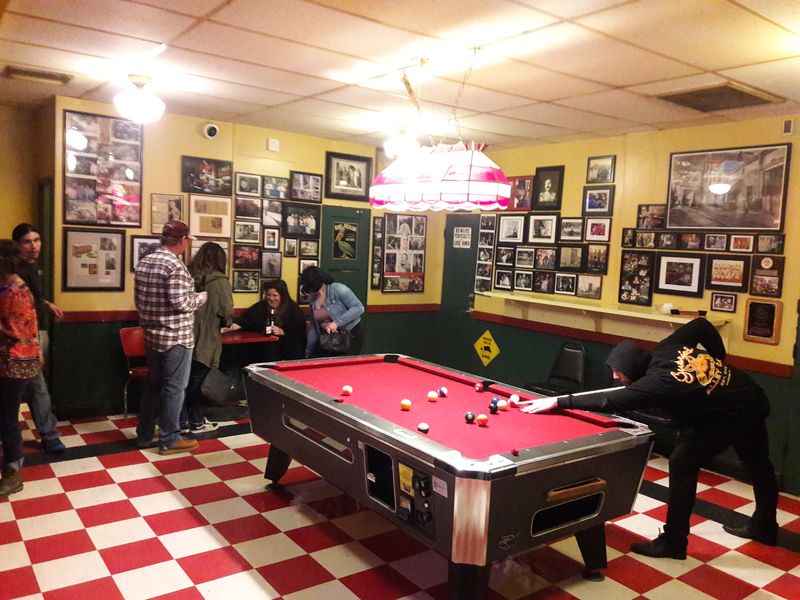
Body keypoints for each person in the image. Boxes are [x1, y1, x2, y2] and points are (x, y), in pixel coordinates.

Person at [525, 318, 779, 558]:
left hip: (734, 411)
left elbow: (608, 400)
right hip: (750, 397)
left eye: (617, 372)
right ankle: (765, 526)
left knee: (683, 461)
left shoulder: (656, 383)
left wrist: (560, 401)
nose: (615, 377)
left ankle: (674, 542)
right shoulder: (667, 347)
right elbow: (702, 325)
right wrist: (717, 361)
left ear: (632, 369)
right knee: (758, 464)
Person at [135, 221, 207, 455]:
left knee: (153, 386)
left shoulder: (146, 261)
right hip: (176, 338)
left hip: (152, 336)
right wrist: (201, 297)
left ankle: (145, 434)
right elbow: (181, 303)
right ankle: (169, 438)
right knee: (175, 389)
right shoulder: (174, 266)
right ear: (183, 240)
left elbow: (139, 300)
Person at [11, 224, 65, 454]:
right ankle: (48, 435)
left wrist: (47, 304)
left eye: (37, 240)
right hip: (19, 339)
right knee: (34, 387)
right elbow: (20, 309)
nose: (34, 246)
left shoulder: (33, 268)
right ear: (17, 245)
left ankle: (48, 434)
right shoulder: (14, 270)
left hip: (33, 335)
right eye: (27, 242)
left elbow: (33, 300)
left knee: (36, 386)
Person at [0, 240, 41, 496]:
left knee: (7, 417)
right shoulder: (12, 286)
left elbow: (13, 331)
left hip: (13, 362)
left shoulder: (12, 290)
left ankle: (13, 470)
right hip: (15, 361)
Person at [183, 242, 233, 433]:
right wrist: (226, 322)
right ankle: (195, 421)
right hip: (206, 338)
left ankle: (182, 420)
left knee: (184, 382)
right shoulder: (220, 281)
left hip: (184, 335)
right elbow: (227, 312)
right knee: (196, 382)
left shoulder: (188, 275)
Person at [227, 280, 306, 361]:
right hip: (262, 350)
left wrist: (283, 332)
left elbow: (299, 334)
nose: (271, 298)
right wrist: (230, 326)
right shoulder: (260, 306)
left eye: (275, 295)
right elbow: (246, 320)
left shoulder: (294, 310)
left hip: (286, 353)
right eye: (268, 295)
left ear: (283, 296)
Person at [300, 267, 364, 357]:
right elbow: (314, 327)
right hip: (328, 339)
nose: (314, 292)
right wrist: (308, 351)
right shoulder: (312, 299)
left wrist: (336, 323)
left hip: (349, 336)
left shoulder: (338, 289)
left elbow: (359, 308)